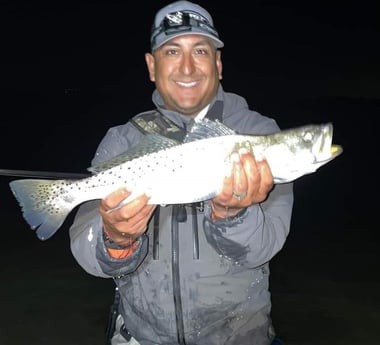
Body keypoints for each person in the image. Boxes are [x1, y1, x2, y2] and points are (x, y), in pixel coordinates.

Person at [69, 1, 294, 344]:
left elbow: (263, 248)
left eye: (200, 51)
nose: (187, 67)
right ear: (151, 66)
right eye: (172, 51)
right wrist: (117, 239)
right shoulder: (122, 139)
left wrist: (233, 215)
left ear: (218, 64)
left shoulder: (260, 137)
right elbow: (89, 256)